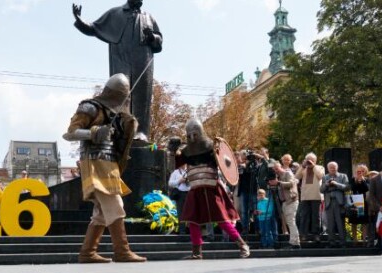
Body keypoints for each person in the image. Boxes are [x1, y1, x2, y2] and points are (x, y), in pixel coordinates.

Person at [63, 73, 146, 263]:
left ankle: (87, 253)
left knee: (101, 213)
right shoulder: (90, 107)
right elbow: (69, 134)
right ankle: (121, 251)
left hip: (110, 164)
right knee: (115, 206)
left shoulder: (118, 114)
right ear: (110, 92)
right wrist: (94, 132)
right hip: (94, 162)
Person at [72, 0, 162, 139]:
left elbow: (159, 40)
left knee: (142, 95)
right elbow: (94, 28)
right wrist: (79, 20)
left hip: (142, 61)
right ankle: (120, 131)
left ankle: (141, 132)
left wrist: (152, 37)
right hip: (121, 58)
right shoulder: (115, 13)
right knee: (119, 93)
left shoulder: (149, 17)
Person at [170, 119, 250, 259]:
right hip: (195, 188)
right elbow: (176, 165)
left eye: (195, 134)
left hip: (211, 187)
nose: (192, 138)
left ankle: (242, 245)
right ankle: (196, 253)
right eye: (189, 135)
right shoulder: (186, 151)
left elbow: (225, 162)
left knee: (221, 219)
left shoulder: (210, 146)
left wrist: (218, 151)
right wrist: (172, 151)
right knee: (193, 221)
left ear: (200, 132)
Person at [270, 161, 301, 249]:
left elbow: (292, 183)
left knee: (291, 222)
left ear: (280, 167)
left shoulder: (288, 173)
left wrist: (278, 183)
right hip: (285, 202)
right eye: (274, 169)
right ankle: (294, 242)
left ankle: (294, 243)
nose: (276, 171)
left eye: (277, 168)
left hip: (291, 200)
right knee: (289, 222)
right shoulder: (278, 176)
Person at [295, 152, 325, 241]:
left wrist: (313, 166)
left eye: (311, 160)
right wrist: (302, 166)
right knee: (304, 216)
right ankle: (303, 234)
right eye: (308, 159)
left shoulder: (320, 167)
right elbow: (297, 176)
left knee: (316, 217)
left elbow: (321, 176)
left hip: (316, 196)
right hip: (305, 196)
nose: (309, 161)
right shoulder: (304, 168)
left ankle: (316, 235)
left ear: (315, 160)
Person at [320, 161, 350, 247]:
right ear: (328, 169)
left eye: (334, 167)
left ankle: (343, 242)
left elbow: (347, 187)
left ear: (337, 167)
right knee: (330, 224)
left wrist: (336, 184)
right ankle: (331, 242)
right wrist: (326, 184)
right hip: (329, 202)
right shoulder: (325, 177)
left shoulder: (343, 176)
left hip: (339, 202)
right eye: (330, 168)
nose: (332, 169)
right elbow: (321, 190)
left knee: (340, 223)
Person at [349, 164, 370, 243]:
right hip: (355, 203)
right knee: (354, 222)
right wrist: (356, 181)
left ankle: (364, 239)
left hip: (364, 203)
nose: (360, 172)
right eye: (359, 171)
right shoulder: (353, 179)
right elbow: (351, 188)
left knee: (364, 222)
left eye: (362, 171)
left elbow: (366, 189)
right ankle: (355, 240)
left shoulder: (367, 180)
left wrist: (362, 181)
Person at [168, 163, 190, 236]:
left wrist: (188, 181)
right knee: (181, 213)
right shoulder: (176, 172)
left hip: (189, 193)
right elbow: (170, 183)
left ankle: (190, 230)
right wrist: (179, 181)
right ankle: (182, 231)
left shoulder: (190, 171)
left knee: (191, 212)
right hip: (180, 194)